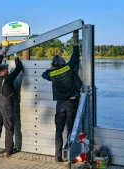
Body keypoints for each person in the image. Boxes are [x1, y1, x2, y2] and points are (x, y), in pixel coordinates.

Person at [42, 30, 82, 162]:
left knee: (58, 131)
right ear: (63, 63)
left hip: (60, 105)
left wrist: (53, 68)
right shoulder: (68, 68)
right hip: (71, 103)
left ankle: (58, 156)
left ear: (54, 65)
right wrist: (75, 41)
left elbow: (44, 74)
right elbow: (75, 56)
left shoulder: (52, 74)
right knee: (71, 130)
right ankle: (71, 155)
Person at [0, 46, 23, 157]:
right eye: (6, 68)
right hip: (6, 106)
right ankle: (9, 151)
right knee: (9, 128)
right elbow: (19, 68)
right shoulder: (9, 78)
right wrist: (16, 57)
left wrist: (2, 53)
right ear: (3, 71)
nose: (8, 69)